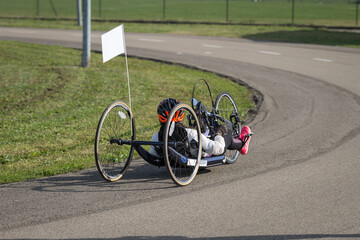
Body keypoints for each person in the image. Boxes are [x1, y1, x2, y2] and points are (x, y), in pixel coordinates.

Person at [149, 98, 252, 158]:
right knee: (227, 139)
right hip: (199, 156)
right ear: (180, 114)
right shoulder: (190, 133)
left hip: (174, 161)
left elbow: (153, 156)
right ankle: (242, 143)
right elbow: (216, 148)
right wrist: (219, 134)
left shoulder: (156, 137)